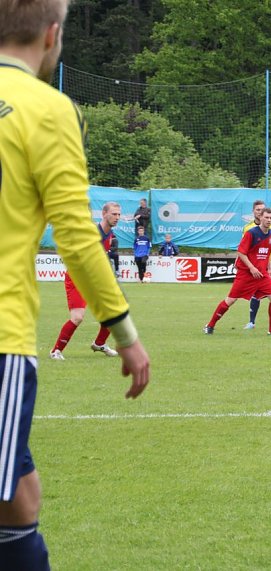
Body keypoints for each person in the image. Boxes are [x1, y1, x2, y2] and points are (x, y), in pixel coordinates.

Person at [0, 4, 150, 566]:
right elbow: (77, 236)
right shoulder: (48, 108)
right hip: (2, 339)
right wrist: (124, 331)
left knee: (21, 499)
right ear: (53, 33)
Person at [50, 202, 125, 360]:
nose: (117, 217)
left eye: (119, 214)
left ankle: (99, 343)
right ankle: (55, 351)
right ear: (104, 214)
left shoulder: (110, 235)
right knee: (77, 318)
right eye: (114, 214)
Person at [204, 208, 271, 335]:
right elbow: (241, 252)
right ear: (260, 217)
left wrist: (270, 269)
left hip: (262, 274)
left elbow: (267, 253)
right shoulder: (251, 233)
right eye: (266, 217)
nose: (269, 220)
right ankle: (210, 325)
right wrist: (251, 267)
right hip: (246, 274)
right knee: (231, 300)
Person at [243, 200, 271, 330]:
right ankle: (252, 322)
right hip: (258, 263)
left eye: (262, 210)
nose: (260, 212)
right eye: (258, 210)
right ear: (254, 211)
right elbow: (244, 248)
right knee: (255, 292)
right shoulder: (248, 228)